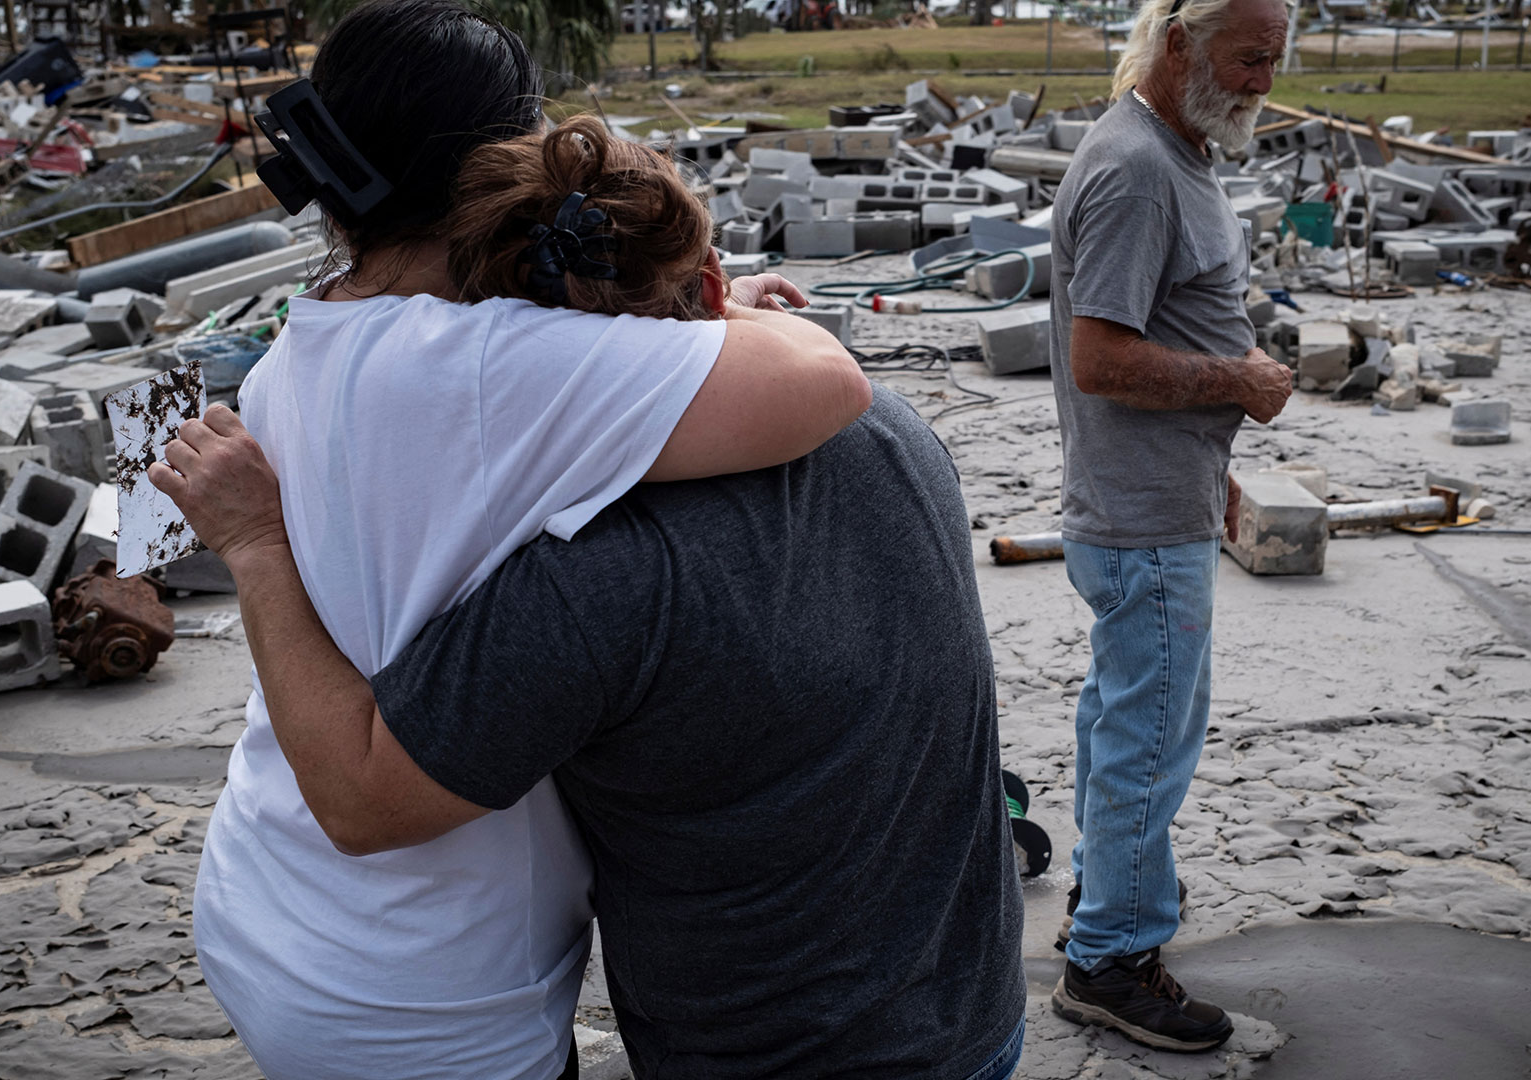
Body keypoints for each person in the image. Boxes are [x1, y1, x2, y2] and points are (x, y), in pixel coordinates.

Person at [152, 117, 1027, 1080]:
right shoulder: (892, 431)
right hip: (974, 1006)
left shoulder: (597, 579)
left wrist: (256, 542)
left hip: (763, 1053)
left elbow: (361, 802)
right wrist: (743, 318)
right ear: (708, 287)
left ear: (523, 343)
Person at [1043, 0, 1294, 1054]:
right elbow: (1098, 359)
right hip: (1140, 520)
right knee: (1149, 741)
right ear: (1180, 42)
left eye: (1275, 61)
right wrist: (1237, 379)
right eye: (1246, 58)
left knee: (1124, 724)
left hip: (1159, 500)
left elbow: (1160, 328)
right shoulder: (1138, 170)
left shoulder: (1175, 153)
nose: (1260, 82)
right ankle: (1110, 961)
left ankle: (1103, 909)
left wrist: (1214, 464)